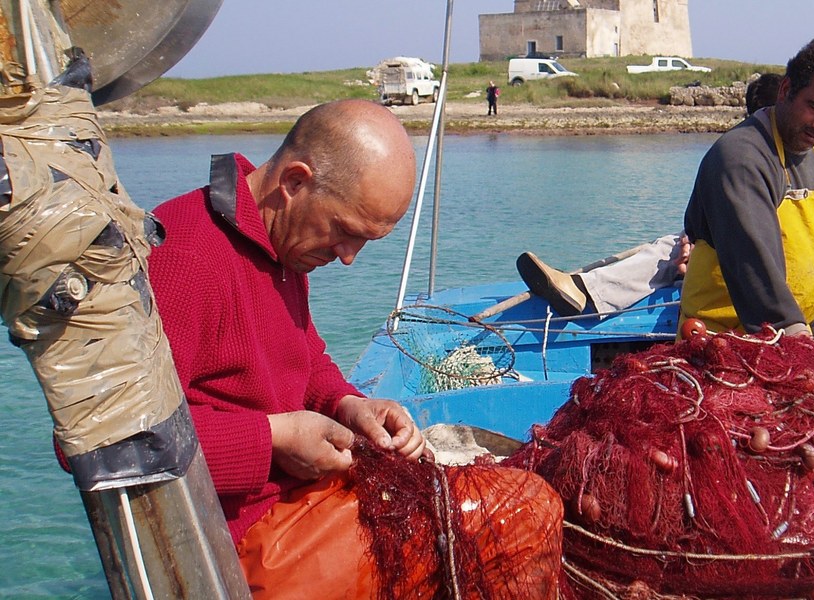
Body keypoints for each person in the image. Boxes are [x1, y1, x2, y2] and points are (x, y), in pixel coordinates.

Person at [147, 99, 561, 596]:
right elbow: (112, 444)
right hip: (244, 541)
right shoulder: (183, 258)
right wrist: (274, 437)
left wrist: (349, 404)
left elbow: (306, 359)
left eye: (365, 242)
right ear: (295, 182)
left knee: (515, 498)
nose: (347, 259)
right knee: (521, 510)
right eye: (344, 233)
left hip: (301, 499)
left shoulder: (277, 241)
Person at [516, 73, 783, 317]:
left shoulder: (779, 163)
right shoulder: (755, 157)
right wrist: (694, 240)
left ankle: (585, 291)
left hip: (763, 267)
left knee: (667, 253)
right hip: (730, 251)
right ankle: (582, 285)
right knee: (669, 245)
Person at [680, 37, 814, 336]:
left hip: (790, 333)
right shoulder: (741, 158)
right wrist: (801, 348)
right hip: (725, 339)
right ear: (786, 90)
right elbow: (755, 272)